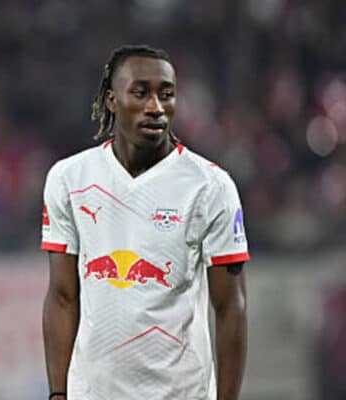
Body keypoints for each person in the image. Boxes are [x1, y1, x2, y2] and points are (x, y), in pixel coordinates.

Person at [41, 44, 249, 400]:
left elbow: (231, 307)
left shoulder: (210, 186)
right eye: (140, 93)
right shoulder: (69, 178)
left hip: (180, 393)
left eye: (166, 95)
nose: (155, 107)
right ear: (111, 100)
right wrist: (58, 394)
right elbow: (62, 296)